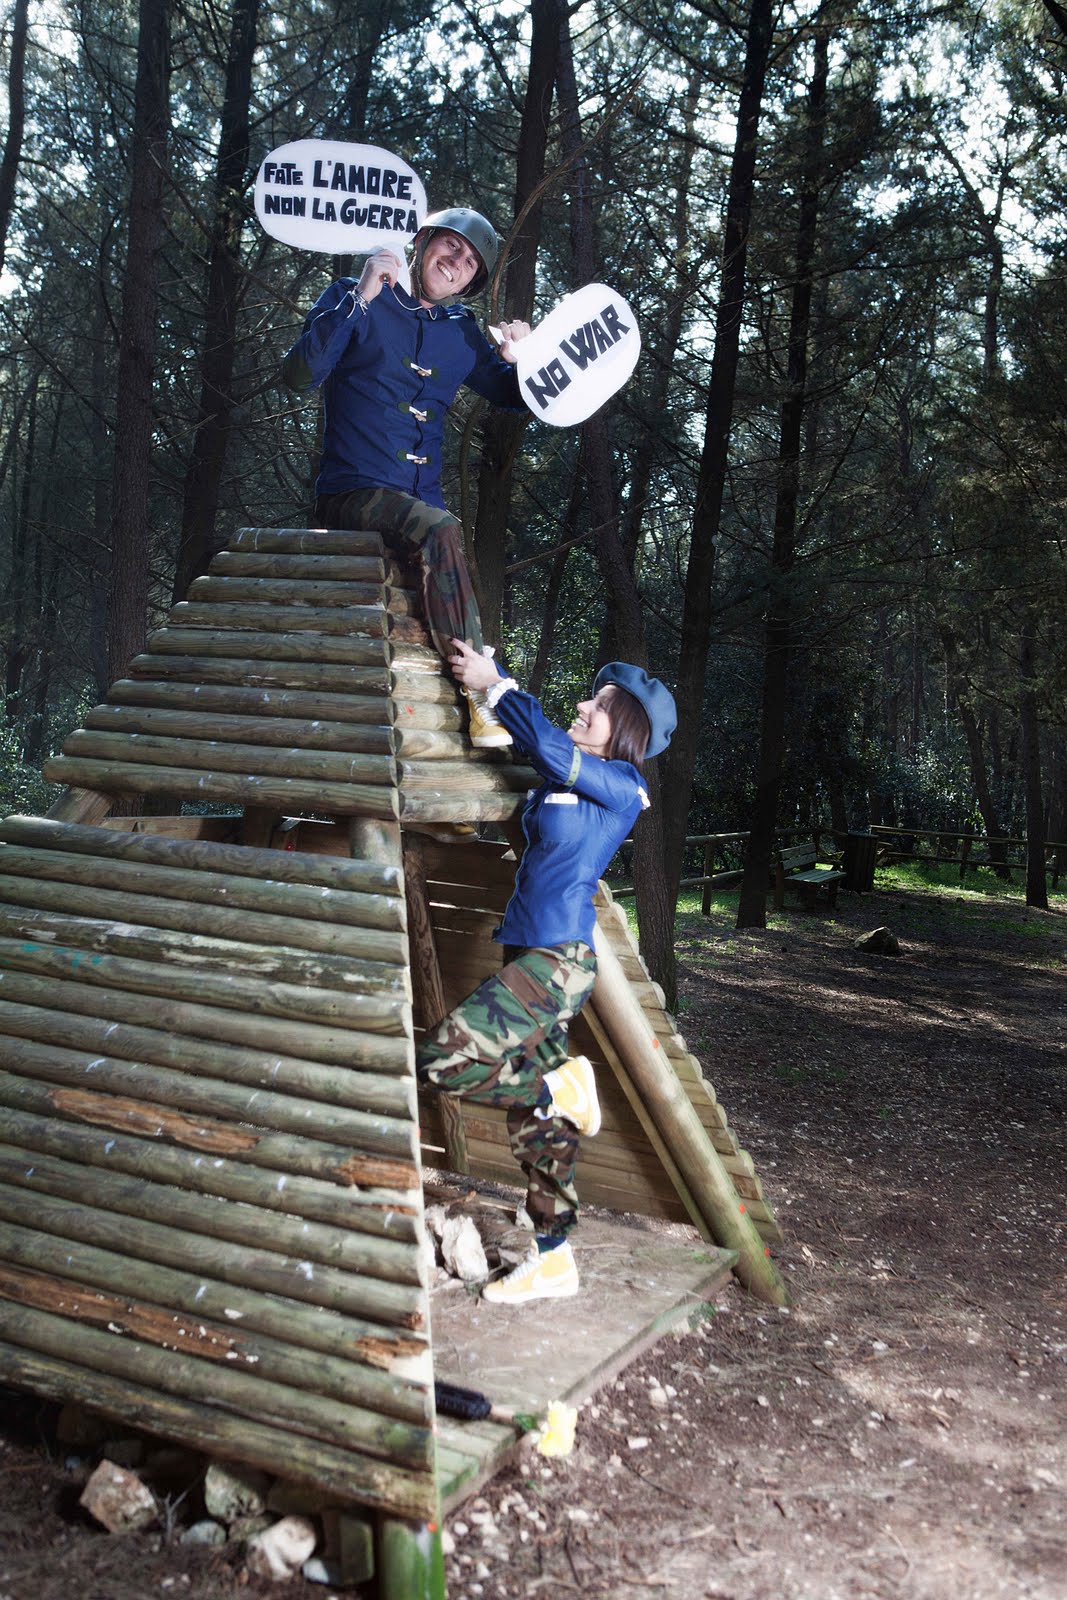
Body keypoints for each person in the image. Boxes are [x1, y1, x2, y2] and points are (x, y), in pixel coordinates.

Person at [416, 643, 677, 1305]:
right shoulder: (567, 778)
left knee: (441, 1061)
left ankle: (556, 1086)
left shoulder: (621, 787)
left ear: (627, 729)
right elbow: (534, 757)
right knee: (539, 1126)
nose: (583, 705)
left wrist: (498, 685)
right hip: (528, 953)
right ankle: (554, 1258)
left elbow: (554, 752)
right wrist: (485, 692)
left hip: (558, 961)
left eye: (600, 705)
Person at [282, 207, 531, 749]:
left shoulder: (460, 332)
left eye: (470, 263)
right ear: (422, 241)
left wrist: (525, 359)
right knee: (441, 528)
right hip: (350, 494)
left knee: (439, 542)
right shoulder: (355, 294)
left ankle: (478, 732)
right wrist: (360, 297)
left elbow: (516, 396)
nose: (456, 262)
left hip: (418, 512)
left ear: (471, 282)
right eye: (451, 246)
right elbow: (299, 375)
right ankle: (480, 694)